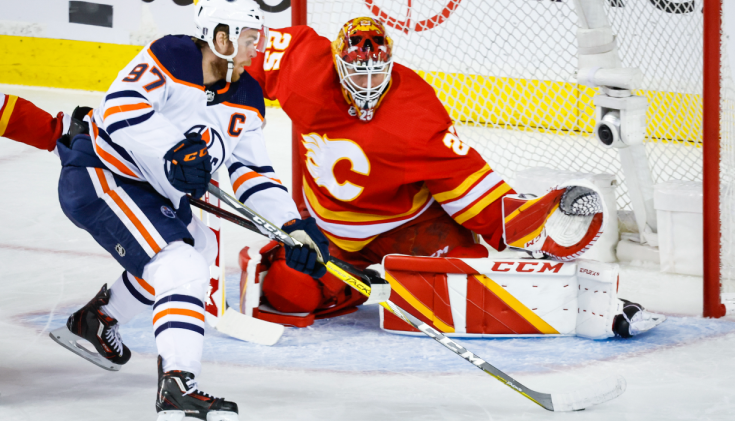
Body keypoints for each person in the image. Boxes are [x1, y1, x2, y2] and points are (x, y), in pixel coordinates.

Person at [238, 17, 662, 338]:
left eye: (376, 72)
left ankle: (580, 297)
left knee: (465, 282)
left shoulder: (414, 110)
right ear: (335, 62)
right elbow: (240, 53)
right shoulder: (302, 69)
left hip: (410, 228)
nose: (367, 84)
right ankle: (365, 285)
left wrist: (524, 219)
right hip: (330, 234)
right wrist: (197, 101)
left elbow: (464, 182)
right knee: (288, 291)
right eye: (357, 73)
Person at [45, 0, 328, 420]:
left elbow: (251, 171)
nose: (259, 46)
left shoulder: (248, 95)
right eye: (250, 36)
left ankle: (99, 318)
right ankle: (178, 386)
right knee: (180, 267)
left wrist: (291, 225)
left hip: (148, 191)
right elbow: (120, 107)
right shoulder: (174, 54)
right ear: (220, 37)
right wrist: (176, 149)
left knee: (200, 250)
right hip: (102, 174)